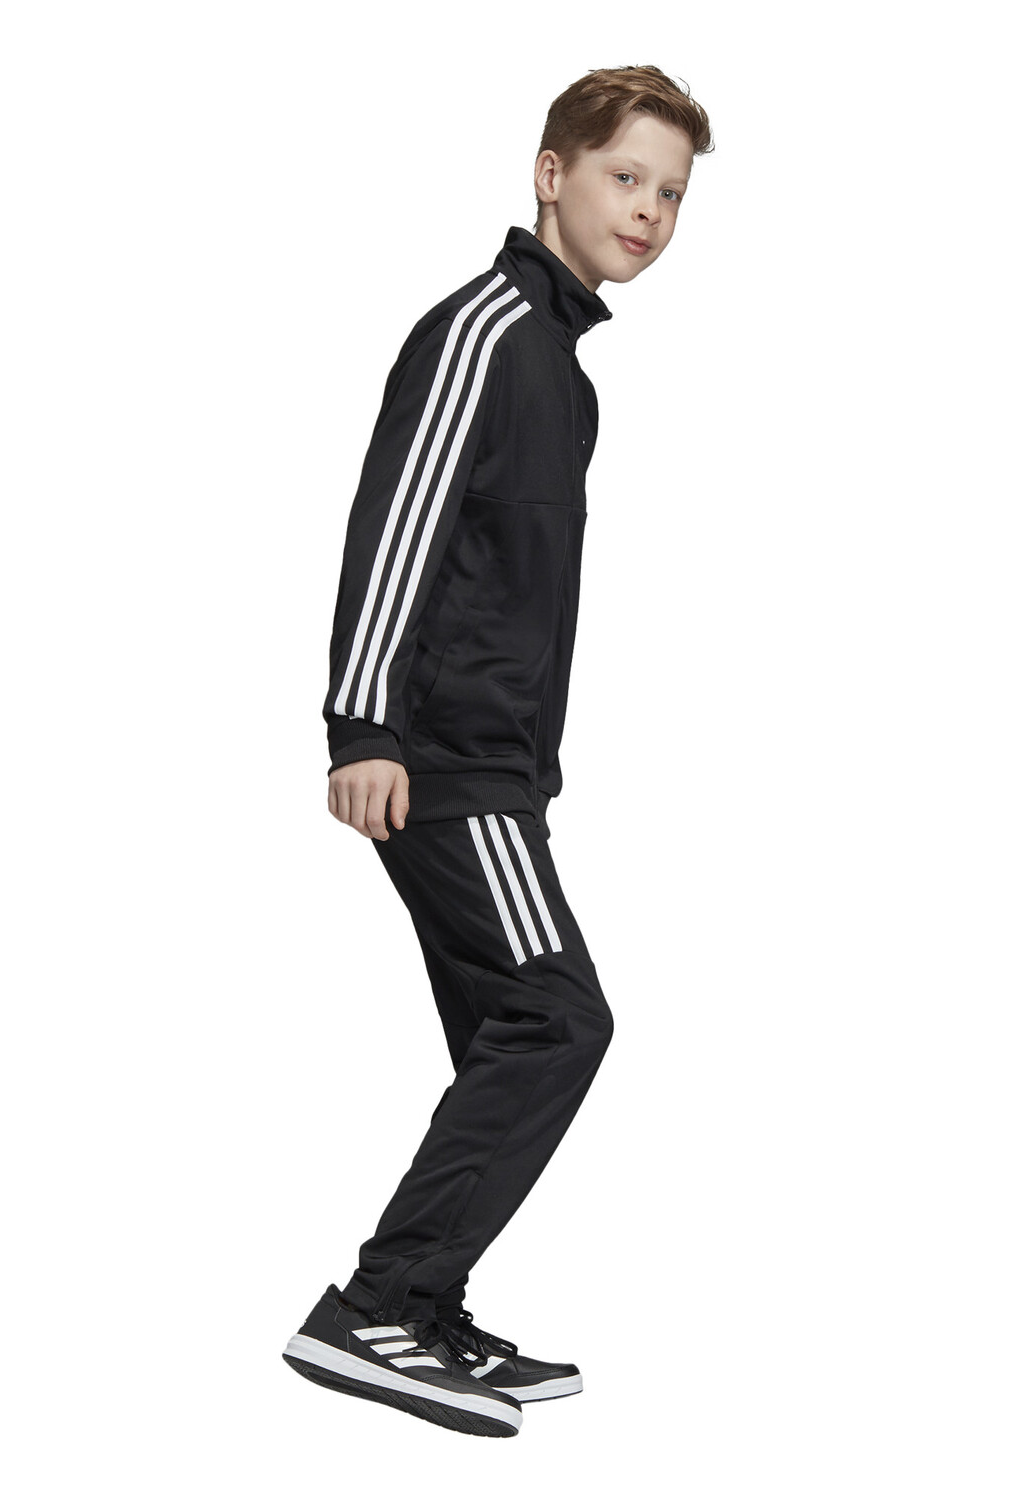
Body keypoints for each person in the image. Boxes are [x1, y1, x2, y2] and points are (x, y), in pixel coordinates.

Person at [283, 65, 714, 1438]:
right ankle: (375, 1308)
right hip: (443, 762)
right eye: (624, 176)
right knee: (557, 1019)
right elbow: (398, 524)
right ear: (550, 173)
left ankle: (423, 1306)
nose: (647, 211)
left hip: (496, 769)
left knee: (502, 1041)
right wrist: (364, 728)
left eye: (670, 193)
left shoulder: (560, 370)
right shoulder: (485, 333)